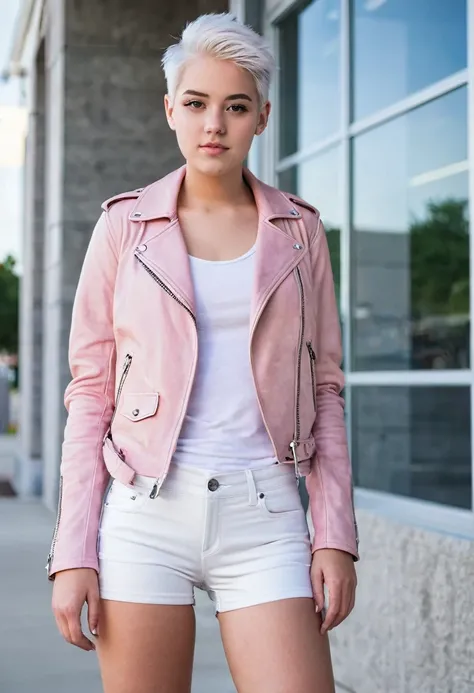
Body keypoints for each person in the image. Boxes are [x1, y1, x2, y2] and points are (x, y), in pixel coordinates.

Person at [48, 12, 359, 693]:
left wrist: (333, 533)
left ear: (262, 117)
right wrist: (74, 549)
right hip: (145, 517)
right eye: (196, 103)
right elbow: (91, 391)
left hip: (267, 514)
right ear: (170, 110)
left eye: (235, 106)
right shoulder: (122, 226)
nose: (213, 123)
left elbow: (325, 385)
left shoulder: (300, 232)